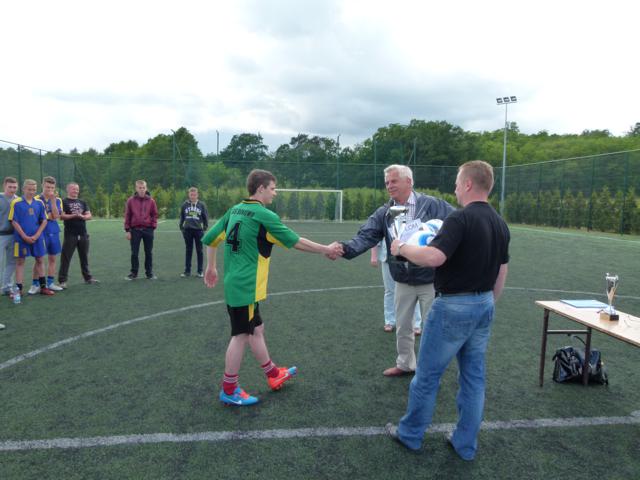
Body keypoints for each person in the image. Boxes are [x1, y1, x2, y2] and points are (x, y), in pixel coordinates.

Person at [385, 160, 510, 461]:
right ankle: (465, 443)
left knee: (427, 376)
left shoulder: (459, 218)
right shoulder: (500, 222)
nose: (454, 189)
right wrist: (486, 303)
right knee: (473, 379)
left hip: (452, 306)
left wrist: (401, 248)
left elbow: (434, 257)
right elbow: (502, 270)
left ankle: (410, 435)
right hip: (484, 304)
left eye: (456, 183)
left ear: (468, 184)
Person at [202, 169, 341, 406]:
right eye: (273, 188)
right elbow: (295, 241)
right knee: (240, 335)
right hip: (245, 287)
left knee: (257, 329)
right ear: (261, 189)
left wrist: (211, 267)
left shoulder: (235, 210)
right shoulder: (263, 215)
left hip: (238, 283)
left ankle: (273, 373)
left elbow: (210, 238)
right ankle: (229, 389)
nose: (275, 193)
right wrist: (326, 249)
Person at [333, 164, 454, 376]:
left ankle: (431, 369)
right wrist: (344, 248)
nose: (389, 186)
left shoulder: (433, 205)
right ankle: (405, 364)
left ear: (409, 181)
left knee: (434, 329)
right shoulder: (385, 212)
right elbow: (366, 235)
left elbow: (457, 224)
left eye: (394, 181)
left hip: (430, 279)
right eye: (387, 182)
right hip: (402, 279)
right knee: (403, 327)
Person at [8, 179, 54, 297]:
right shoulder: (16, 202)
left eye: (34, 189)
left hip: (37, 238)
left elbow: (44, 220)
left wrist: (37, 235)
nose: (32, 192)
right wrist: (24, 236)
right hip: (21, 239)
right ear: (23, 189)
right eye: (29, 189)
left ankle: (43, 287)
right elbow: (13, 221)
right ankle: (18, 289)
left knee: (40, 260)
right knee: (20, 262)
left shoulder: (39, 203)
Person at [370, 239, 423, 334]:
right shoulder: (383, 226)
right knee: (390, 290)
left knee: (413, 290)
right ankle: (390, 321)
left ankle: (416, 324)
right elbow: (375, 236)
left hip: (409, 257)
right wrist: (374, 256)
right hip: (388, 258)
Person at [57, 182, 100, 288]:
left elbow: (89, 215)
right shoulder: (63, 202)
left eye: (77, 189)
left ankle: (88, 278)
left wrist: (83, 217)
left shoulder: (82, 202)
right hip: (70, 235)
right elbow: (61, 216)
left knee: (84, 257)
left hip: (83, 234)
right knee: (66, 258)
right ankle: (62, 281)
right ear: (68, 190)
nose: (75, 191)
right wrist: (74, 215)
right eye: (73, 189)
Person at [29, 177, 64, 293]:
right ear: (42, 186)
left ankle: (50, 283)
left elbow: (56, 216)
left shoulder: (57, 200)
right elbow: (40, 217)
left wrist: (53, 202)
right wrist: (49, 215)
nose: (50, 189)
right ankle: (35, 284)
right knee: (39, 258)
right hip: (40, 231)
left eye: (52, 187)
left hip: (53, 231)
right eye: (47, 187)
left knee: (52, 258)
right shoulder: (36, 199)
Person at [124, 180, 158, 280]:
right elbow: (127, 215)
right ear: (136, 188)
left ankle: (149, 273)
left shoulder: (151, 201)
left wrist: (153, 227)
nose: (142, 190)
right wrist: (127, 230)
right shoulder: (130, 201)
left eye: (143, 188)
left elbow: (154, 214)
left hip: (148, 230)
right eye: (140, 188)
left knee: (148, 252)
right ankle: (134, 273)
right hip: (135, 230)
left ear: (146, 188)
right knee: (134, 253)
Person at [179, 187, 209, 277]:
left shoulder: (202, 205)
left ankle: (200, 271)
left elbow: (205, 217)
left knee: (199, 251)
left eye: (194, 195)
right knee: (188, 250)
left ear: (197, 195)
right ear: (189, 195)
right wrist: (181, 227)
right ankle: (187, 271)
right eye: (191, 195)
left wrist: (205, 227)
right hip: (187, 230)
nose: (193, 196)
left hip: (198, 231)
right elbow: (182, 216)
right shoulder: (184, 205)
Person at [1, 177, 19, 298]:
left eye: (14, 187)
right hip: (0, 236)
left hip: (14, 236)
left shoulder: (18, 200)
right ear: (4, 186)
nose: (12, 189)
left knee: (12, 262)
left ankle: (7, 287)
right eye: (10, 187)